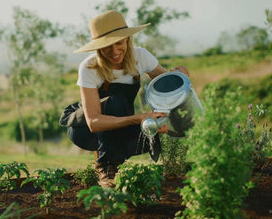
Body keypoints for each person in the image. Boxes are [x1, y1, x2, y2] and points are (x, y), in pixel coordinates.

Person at [68, 10, 189, 187]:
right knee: (115, 101)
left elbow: (168, 86)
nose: (114, 51)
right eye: (106, 46)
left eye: (118, 43)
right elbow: (94, 122)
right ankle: (106, 166)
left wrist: (181, 77)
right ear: (98, 48)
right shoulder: (89, 67)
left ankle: (120, 163)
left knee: (159, 130)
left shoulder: (141, 57)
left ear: (127, 39)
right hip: (85, 131)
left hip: (121, 125)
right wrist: (137, 118)